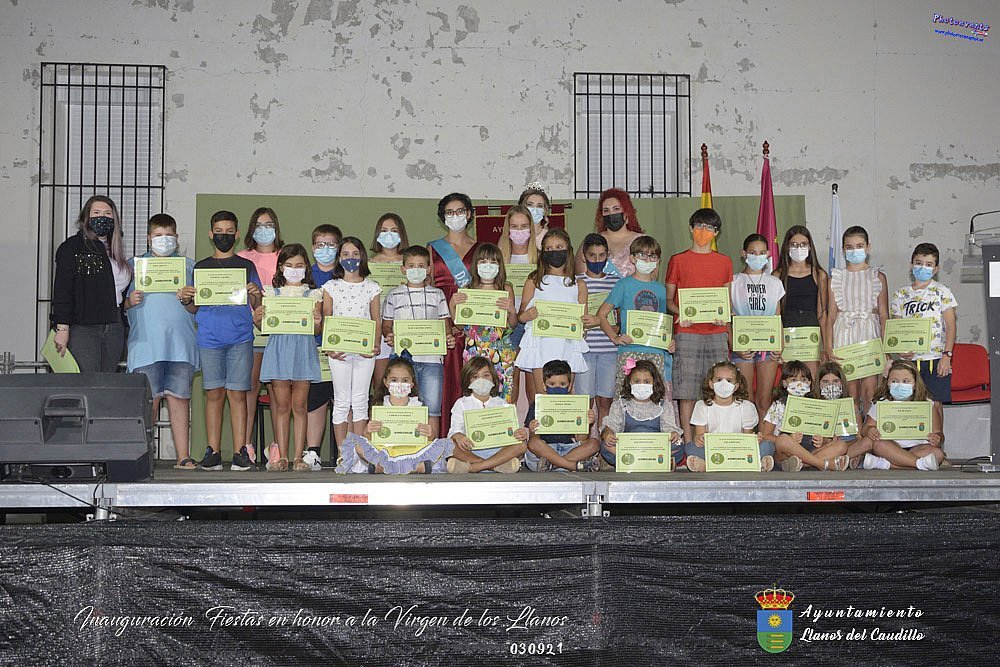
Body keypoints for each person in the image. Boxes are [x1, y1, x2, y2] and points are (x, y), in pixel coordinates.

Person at [183, 210, 262, 471]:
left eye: (229, 231)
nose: (223, 236)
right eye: (219, 231)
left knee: (238, 394)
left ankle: (240, 451)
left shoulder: (246, 266)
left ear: (236, 234)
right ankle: (213, 451)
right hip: (209, 338)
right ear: (211, 234)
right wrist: (186, 299)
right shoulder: (201, 267)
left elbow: (257, 304)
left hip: (240, 337)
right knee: (214, 394)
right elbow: (193, 307)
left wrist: (255, 294)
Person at [123, 213, 198, 469]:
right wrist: (128, 302)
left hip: (180, 344)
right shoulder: (132, 267)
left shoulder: (189, 267)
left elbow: (196, 309)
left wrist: (188, 300)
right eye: (158, 235)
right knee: (148, 403)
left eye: (168, 236)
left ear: (176, 238)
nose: (163, 240)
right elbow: (116, 304)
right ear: (148, 238)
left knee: (180, 399)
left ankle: (183, 456)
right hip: (145, 346)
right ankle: (143, 456)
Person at [665, 208, 733, 446]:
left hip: (717, 333)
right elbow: (669, 299)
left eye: (710, 228)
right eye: (700, 226)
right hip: (687, 333)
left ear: (717, 232)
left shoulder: (724, 261)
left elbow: (726, 299)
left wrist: (723, 316)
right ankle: (688, 444)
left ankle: (714, 441)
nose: (704, 231)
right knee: (687, 392)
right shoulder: (678, 260)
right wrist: (680, 313)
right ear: (691, 228)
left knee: (719, 389)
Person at [255, 244, 324, 472]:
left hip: (303, 351)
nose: (294, 270)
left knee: (300, 406)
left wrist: (317, 322)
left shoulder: (314, 295)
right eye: (289, 265)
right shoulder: (271, 294)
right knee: (282, 406)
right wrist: (258, 319)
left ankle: (298, 457)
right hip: (279, 350)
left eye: (299, 265)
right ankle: (282, 456)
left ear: (306, 268)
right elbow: (264, 325)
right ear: (281, 268)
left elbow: (316, 329)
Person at [51, 195, 132, 372]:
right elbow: (63, 291)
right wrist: (62, 328)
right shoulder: (71, 247)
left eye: (108, 213)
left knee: (106, 381)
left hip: (114, 326)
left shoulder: (115, 250)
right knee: (88, 381)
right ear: (86, 218)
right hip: (83, 327)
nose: (102, 216)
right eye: (96, 212)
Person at [382, 245, 453, 438]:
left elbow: (445, 324)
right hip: (401, 360)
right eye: (411, 266)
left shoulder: (437, 294)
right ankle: (402, 442)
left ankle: (433, 448)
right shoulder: (393, 295)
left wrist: (448, 337)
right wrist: (389, 334)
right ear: (403, 269)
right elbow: (386, 325)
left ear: (429, 269)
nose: (416, 270)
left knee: (432, 407)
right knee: (400, 403)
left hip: (432, 360)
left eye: (421, 266)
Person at [322, 236, 381, 464]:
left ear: (362, 256)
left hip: (365, 353)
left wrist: (374, 345)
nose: (351, 258)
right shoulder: (331, 287)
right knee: (341, 401)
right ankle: (343, 453)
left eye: (355, 254)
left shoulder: (372, 287)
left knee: (360, 402)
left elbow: (376, 319)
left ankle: (359, 452)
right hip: (339, 353)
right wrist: (329, 347)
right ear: (339, 258)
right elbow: (327, 319)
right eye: (345, 254)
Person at [338, 357, 450, 474]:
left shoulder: (418, 406)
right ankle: (414, 467)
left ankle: (384, 468)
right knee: (358, 445)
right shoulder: (380, 407)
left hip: (410, 449)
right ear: (386, 382)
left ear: (412, 383)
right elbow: (369, 438)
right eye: (394, 380)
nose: (399, 384)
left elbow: (428, 438)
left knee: (440, 446)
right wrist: (367, 431)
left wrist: (430, 434)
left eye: (405, 380)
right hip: (386, 449)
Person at [428, 193, 479, 435]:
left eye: (460, 211)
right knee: (443, 382)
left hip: (473, 321)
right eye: (449, 212)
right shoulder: (433, 248)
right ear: (443, 217)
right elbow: (427, 286)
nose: (455, 216)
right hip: (442, 320)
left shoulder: (480, 248)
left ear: (468, 214)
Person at [598, 235, 675, 393]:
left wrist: (669, 341)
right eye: (642, 255)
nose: (647, 260)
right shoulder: (623, 285)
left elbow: (662, 323)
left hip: (656, 352)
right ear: (632, 258)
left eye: (652, 256)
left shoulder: (661, 289)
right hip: (630, 350)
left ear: (658, 260)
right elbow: (601, 314)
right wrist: (615, 337)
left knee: (654, 396)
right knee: (626, 395)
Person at [516, 228, 589, 393]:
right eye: (549, 248)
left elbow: (583, 320)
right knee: (542, 395)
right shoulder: (534, 280)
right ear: (543, 253)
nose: (554, 252)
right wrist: (526, 316)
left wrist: (584, 327)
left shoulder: (578, 285)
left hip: (568, 344)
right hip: (540, 344)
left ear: (568, 250)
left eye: (559, 247)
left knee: (564, 395)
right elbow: (520, 316)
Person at [238, 207, 284, 465]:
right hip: (250, 331)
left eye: (269, 224)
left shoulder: (285, 256)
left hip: (280, 333)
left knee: (278, 390)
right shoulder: (241, 258)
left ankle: (277, 446)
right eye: (259, 225)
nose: (264, 229)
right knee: (250, 388)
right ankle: (246, 445)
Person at [826, 225, 888, 410]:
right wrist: (828, 346)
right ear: (843, 249)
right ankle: (854, 428)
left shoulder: (877, 276)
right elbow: (831, 315)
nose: (854, 251)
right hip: (844, 334)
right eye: (849, 247)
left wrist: (886, 348)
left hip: (870, 335)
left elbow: (883, 314)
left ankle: (869, 425)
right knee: (849, 393)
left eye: (859, 246)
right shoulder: (836, 278)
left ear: (868, 247)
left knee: (870, 391)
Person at [888, 243, 957, 403]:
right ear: (911, 265)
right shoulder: (900, 294)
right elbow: (896, 329)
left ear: (935, 269)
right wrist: (901, 350)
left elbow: (951, 326)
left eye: (928, 264)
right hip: (910, 361)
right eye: (918, 263)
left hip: (936, 358)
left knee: (935, 404)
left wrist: (947, 356)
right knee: (911, 404)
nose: (922, 267)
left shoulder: (942, 291)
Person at [451, 243, 518, 401]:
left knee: (503, 395)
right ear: (476, 264)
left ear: (500, 265)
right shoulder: (468, 289)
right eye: (483, 261)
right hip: (475, 349)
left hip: (501, 351)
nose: (488, 266)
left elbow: (512, 325)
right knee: (475, 395)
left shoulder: (506, 289)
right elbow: (460, 325)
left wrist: (512, 310)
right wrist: (452, 305)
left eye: (493, 262)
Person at [684, 361, 774, 472]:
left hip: (739, 450)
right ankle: (751, 465)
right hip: (714, 450)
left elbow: (747, 436)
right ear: (711, 383)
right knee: (691, 447)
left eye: (729, 381)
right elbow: (699, 435)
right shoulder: (702, 405)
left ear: (736, 386)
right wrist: (699, 439)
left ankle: (710, 466)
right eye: (719, 380)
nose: (723, 384)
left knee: (767, 445)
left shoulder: (746, 406)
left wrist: (754, 440)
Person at [732, 233, 785, 420]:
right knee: (745, 399)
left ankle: (764, 436)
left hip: (767, 346)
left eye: (762, 253)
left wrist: (780, 344)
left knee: (764, 400)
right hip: (742, 347)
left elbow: (777, 316)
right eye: (753, 252)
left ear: (768, 254)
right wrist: (734, 345)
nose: (757, 256)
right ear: (744, 253)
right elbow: (728, 318)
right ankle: (748, 435)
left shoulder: (775, 282)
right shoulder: (733, 282)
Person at [761, 361, 850, 472]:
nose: (799, 384)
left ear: (809, 383)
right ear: (784, 383)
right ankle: (822, 464)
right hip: (787, 452)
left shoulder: (817, 404)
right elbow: (766, 435)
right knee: (783, 440)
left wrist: (822, 440)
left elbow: (826, 434)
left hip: (811, 450)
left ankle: (799, 464)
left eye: (803, 380)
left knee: (842, 446)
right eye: (793, 380)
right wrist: (790, 439)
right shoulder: (778, 405)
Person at [445, 356, 529, 474]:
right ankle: (493, 466)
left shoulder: (502, 404)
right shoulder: (461, 403)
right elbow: (453, 432)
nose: (481, 380)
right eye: (475, 377)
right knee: (448, 445)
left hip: (498, 451)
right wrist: (458, 436)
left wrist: (519, 434)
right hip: (471, 450)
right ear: (467, 380)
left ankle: (474, 467)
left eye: (486, 375)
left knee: (521, 445)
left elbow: (512, 431)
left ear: (493, 378)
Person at [859, 360, 946, 471]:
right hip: (890, 447)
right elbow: (865, 428)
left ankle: (886, 464)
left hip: (918, 447)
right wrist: (869, 430)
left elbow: (939, 433)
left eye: (905, 381)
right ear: (888, 383)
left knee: (938, 454)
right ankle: (920, 464)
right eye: (894, 381)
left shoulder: (927, 405)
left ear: (915, 384)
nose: (900, 385)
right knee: (878, 444)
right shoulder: (881, 403)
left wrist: (937, 438)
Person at [599, 359, 682, 469]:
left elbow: (669, 428)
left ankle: (635, 462)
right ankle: (653, 462)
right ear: (630, 382)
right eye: (637, 381)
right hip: (630, 447)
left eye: (647, 382)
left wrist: (673, 434)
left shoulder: (663, 405)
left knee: (678, 445)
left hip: (654, 447)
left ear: (654, 383)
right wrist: (608, 434)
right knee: (605, 445)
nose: (642, 385)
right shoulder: (621, 404)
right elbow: (611, 427)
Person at [576, 233, 620, 434]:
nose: (597, 260)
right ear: (584, 256)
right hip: (584, 350)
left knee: (606, 401)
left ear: (607, 256)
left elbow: (621, 320)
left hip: (609, 350)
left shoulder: (616, 282)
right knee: (585, 402)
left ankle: (603, 443)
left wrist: (602, 323)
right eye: (592, 255)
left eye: (601, 255)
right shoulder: (575, 283)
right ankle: (584, 442)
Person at [305, 224, 342, 462]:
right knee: (315, 400)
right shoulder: (305, 275)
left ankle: (346, 452)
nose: (325, 249)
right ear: (312, 247)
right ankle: (313, 452)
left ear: (338, 248)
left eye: (330, 244)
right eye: (320, 244)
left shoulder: (347, 274)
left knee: (344, 401)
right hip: (314, 348)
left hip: (344, 349)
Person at [773, 225, 829, 379]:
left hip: (811, 338)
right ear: (787, 247)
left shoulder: (819, 274)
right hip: (787, 337)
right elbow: (775, 315)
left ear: (810, 247)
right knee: (790, 381)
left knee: (811, 381)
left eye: (803, 244)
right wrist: (778, 343)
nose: (799, 248)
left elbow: (822, 314)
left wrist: (826, 347)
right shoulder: (777, 275)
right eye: (794, 245)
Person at [524, 360, 600, 472]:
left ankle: (554, 465)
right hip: (545, 451)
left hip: (569, 449)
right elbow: (533, 438)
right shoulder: (538, 404)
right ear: (544, 386)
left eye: (563, 384)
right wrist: (532, 428)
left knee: (594, 443)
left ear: (569, 386)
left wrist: (586, 423)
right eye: (552, 384)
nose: (557, 388)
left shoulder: (576, 405)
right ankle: (572, 466)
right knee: (533, 443)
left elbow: (581, 439)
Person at [498, 204, 539, 406]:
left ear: (531, 228)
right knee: (510, 382)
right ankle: (510, 422)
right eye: (514, 227)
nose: (519, 231)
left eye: (524, 226)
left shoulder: (540, 257)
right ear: (508, 229)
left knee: (534, 385)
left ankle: (533, 424)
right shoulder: (499, 258)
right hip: (508, 323)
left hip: (534, 322)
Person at [369, 213, 409, 392]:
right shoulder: (368, 264)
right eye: (384, 230)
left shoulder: (411, 263)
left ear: (402, 234)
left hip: (405, 327)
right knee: (381, 384)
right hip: (379, 328)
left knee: (406, 382)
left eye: (394, 230)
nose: (389, 234)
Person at [574, 187, 643, 277]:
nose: (611, 214)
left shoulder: (641, 241)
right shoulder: (590, 242)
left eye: (616, 209)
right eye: (606, 210)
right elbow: (581, 277)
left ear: (626, 212)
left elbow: (649, 278)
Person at [518, 182, 551, 249]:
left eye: (539, 206)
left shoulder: (549, 236)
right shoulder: (513, 235)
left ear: (545, 210)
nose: (535, 209)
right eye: (530, 205)